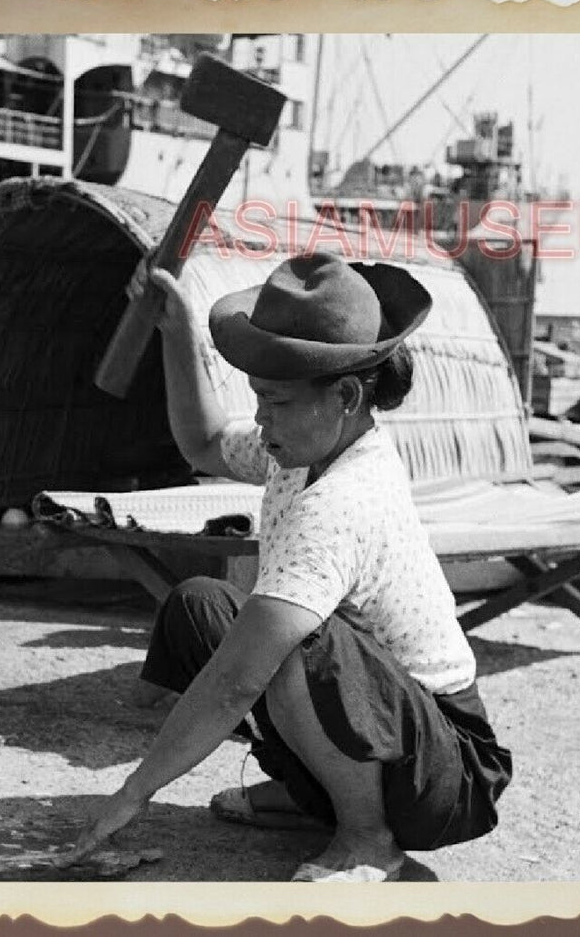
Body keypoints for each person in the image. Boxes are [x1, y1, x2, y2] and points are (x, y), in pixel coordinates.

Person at [62, 251, 512, 881]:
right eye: (257, 399)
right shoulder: (300, 446)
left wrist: (135, 791)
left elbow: (238, 681)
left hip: (448, 768)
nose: (261, 419)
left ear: (348, 395)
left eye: (274, 401)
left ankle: (368, 839)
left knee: (289, 645)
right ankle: (315, 798)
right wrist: (177, 331)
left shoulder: (343, 498)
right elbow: (204, 442)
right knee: (203, 607)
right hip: (388, 728)